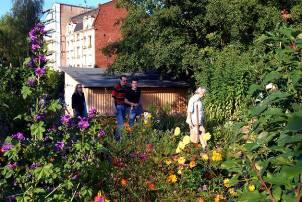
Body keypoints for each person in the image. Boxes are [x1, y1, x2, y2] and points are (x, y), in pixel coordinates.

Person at [112, 75, 129, 140]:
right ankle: (120, 139)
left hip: (124, 107)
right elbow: (113, 98)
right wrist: (114, 107)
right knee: (121, 123)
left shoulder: (126, 88)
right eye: (123, 80)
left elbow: (126, 99)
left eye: (126, 81)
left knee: (121, 123)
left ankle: (116, 138)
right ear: (120, 80)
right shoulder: (116, 87)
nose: (125, 82)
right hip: (118, 107)